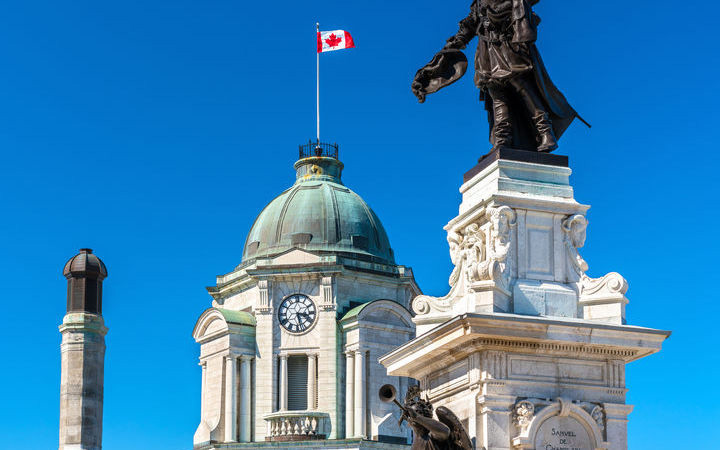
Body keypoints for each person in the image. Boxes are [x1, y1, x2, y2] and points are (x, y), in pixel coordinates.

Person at [412, 0, 588, 153]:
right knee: (496, 93)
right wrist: (454, 43)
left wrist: (494, 15)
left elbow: (520, 9)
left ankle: (546, 133)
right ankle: (502, 139)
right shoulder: (479, 3)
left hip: (508, 46)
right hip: (487, 52)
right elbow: (470, 24)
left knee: (521, 87)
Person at [401, 386, 472, 450]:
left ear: (425, 418)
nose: (412, 416)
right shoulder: (414, 443)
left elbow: (445, 431)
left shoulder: (432, 435)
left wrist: (417, 417)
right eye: (411, 414)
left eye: (417, 412)